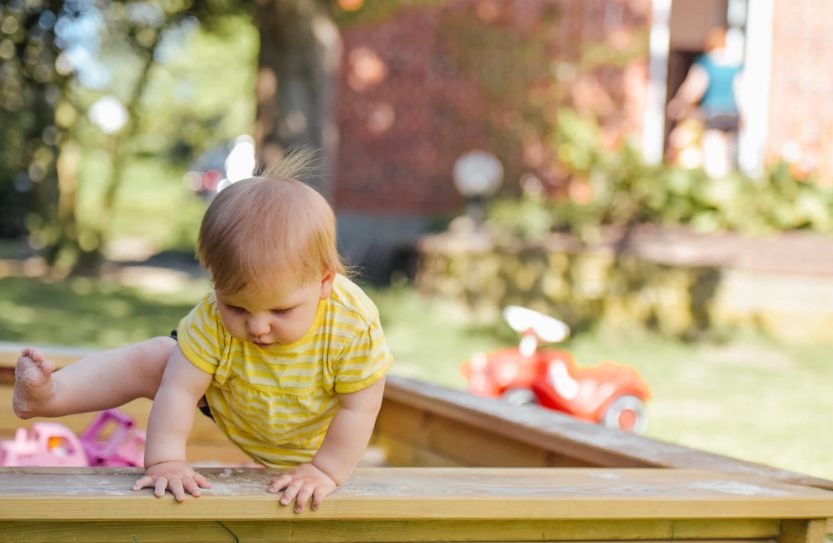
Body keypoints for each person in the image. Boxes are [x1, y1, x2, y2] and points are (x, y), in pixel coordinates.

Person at [12, 154, 394, 513]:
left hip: (316, 433)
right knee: (159, 358)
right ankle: (50, 395)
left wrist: (325, 470)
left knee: (341, 422)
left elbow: (359, 406)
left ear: (325, 283)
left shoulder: (350, 324)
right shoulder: (211, 315)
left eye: (281, 310)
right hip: (238, 399)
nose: (257, 327)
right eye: (237, 307)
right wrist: (166, 461)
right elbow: (179, 390)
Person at [667, 27, 743, 178]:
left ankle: (715, 185)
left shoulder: (707, 63)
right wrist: (743, 114)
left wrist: (680, 102)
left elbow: (695, 85)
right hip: (732, 112)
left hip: (713, 111)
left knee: (713, 152)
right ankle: (728, 182)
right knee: (728, 153)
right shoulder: (734, 65)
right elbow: (740, 90)